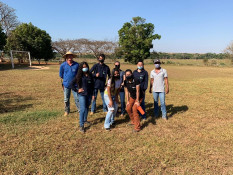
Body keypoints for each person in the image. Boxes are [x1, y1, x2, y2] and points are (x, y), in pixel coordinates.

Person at [71, 62, 94, 133]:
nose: (85, 68)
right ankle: (81, 125)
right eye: (83, 67)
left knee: (87, 107)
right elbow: (71, 84)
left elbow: (92, 85)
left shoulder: (90, 75)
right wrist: (78, 90)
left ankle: (85, 120)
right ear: (81, 68)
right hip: (82, 95)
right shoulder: (79, 76)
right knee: (83, 109)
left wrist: (93, 94)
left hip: (89, 94)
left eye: (86, 67)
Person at [59, 51, 80, 116]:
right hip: (66, 85)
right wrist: (66, 80)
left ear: (72, 57)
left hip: (75, 85)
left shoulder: (77, 65)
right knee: (66, 99)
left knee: (77, 98)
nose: (69, 57)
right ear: (66, 57)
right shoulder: (63, 65)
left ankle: (80, 111)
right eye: (68, 56)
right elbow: (61, 75)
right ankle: (67, 111)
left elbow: (79, 74)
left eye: (71, 56)